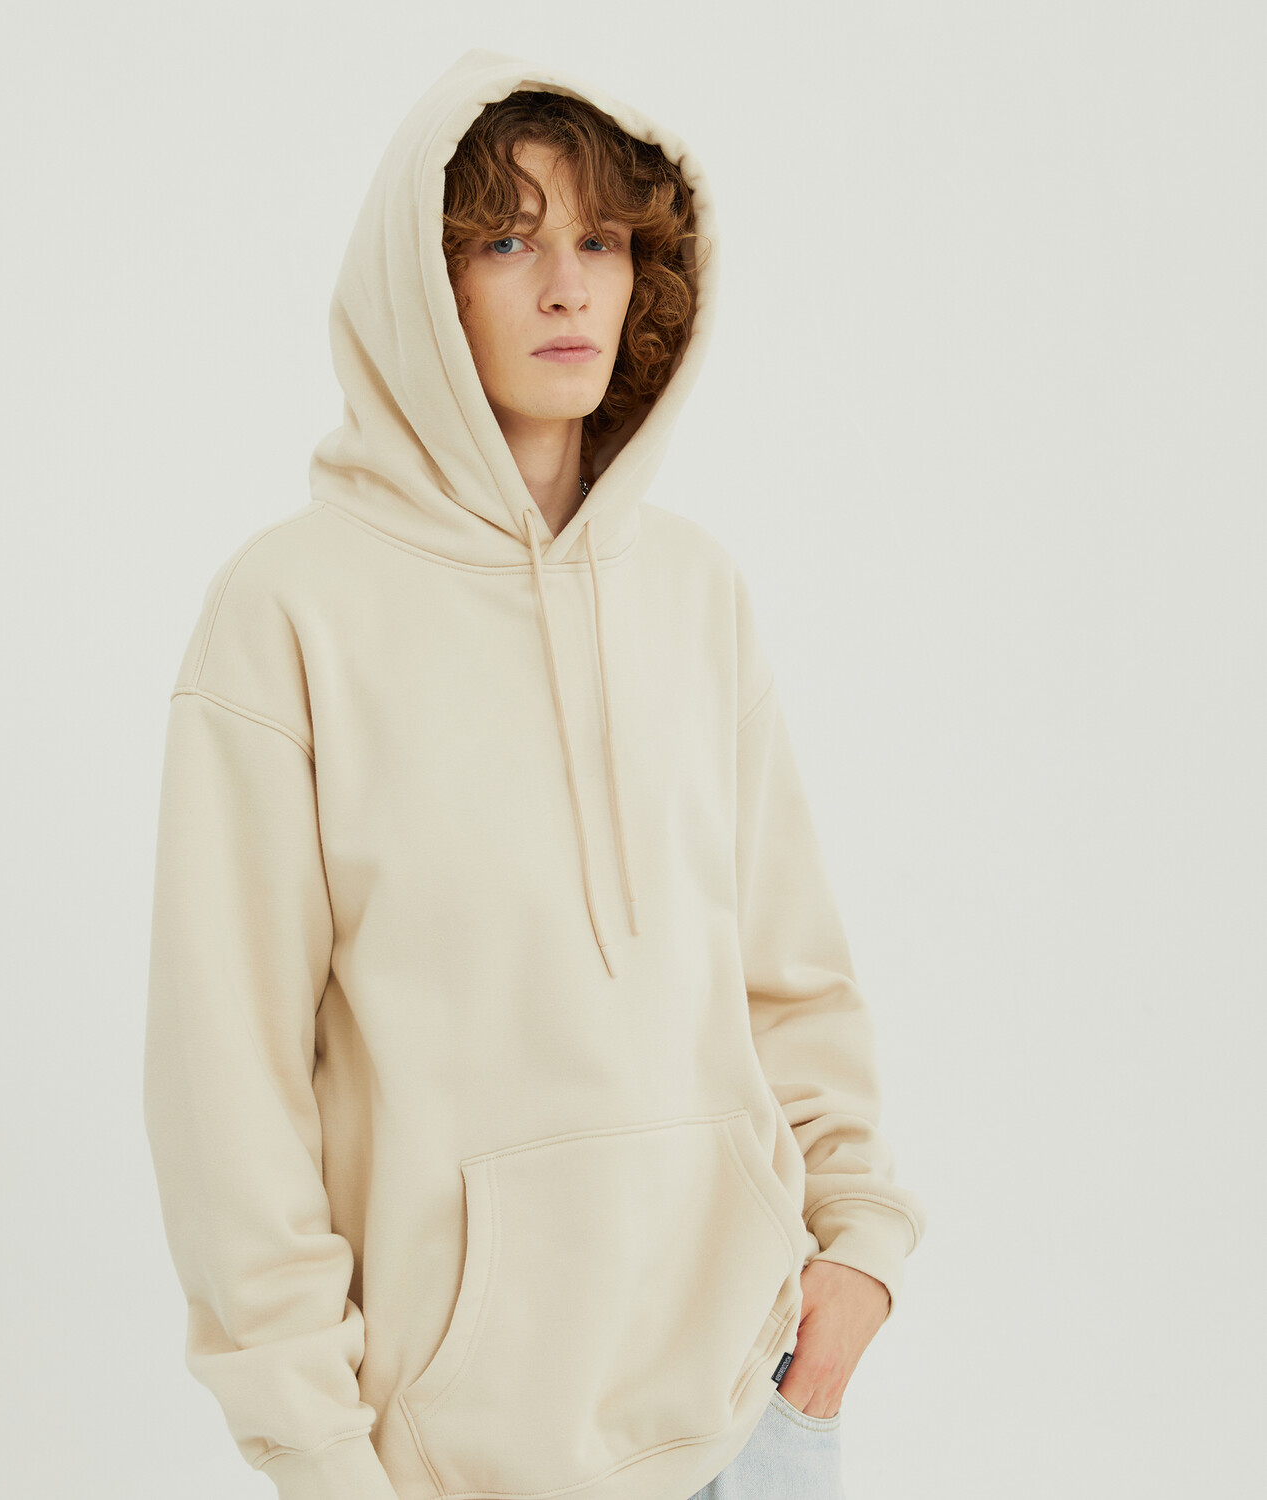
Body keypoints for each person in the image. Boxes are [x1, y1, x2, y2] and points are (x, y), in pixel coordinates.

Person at [142, 48, 927, 1500]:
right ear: (422, 286)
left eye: (602, 242)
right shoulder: (289, 611)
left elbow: (792, 975)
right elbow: (228, 1090)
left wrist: (857, 1253)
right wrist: (317, 1448)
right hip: (448, 1463)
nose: (568, 288)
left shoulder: (694, 591)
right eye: (507, 242)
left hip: (751, 1409)